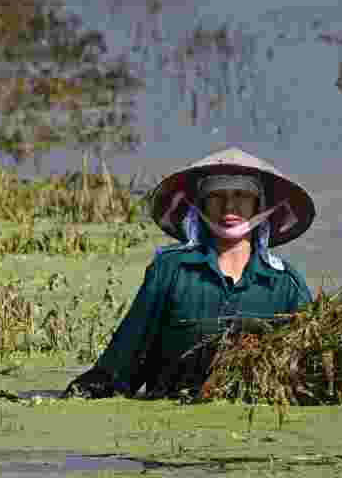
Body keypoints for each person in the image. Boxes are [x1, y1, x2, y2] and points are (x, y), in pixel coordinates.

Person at [64, 147, 316, 400]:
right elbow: (125, 358)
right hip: (167, 419)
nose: (229, 206)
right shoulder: (171, 270)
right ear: (200, 205)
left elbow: (309, 373)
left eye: (241, 195)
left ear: (259, 205)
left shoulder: (286, 285)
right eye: (217, 195)